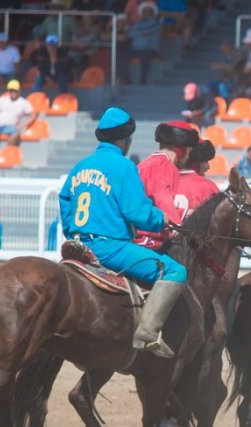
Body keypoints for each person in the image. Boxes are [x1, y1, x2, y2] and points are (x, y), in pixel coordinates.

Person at [58, 107, 186, 359]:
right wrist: (161, 219)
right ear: (125, 139)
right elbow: (137, 212)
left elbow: (65, 204)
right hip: (110, 248)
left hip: (76, 246)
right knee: (176, 270)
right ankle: (147, 332)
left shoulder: (80, 166)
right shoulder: (124, 167)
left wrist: (76, 234)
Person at [134, 120, 198, 253]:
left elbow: (151, 203)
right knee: (180, 271)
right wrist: (177, 225)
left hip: (136, 233)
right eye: (189, 151)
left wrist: (184, 213)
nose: (188, 157)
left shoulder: (144, 164)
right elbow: (162, 199)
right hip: (148, 240)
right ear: (181, 150)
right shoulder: (165, 166)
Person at [175, 139, 219, 220]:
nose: (208, 167)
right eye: (205, 161)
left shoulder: (164, 181)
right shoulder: (208, 187)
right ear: (196, 160)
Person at [128, 1, 162, 85]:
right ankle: (124, 78)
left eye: (148, 11)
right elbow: (131, 34)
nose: (146, 13)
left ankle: (143, 79)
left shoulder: (156, 24)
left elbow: (152, 31)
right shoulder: (137, 24)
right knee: (121, 54)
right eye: (144, 11)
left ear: (152, 13)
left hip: (149, 50)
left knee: (144, 56)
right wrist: (142, 33)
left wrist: (142, 32)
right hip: (135, 49)